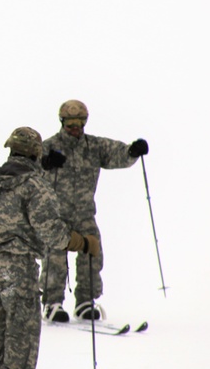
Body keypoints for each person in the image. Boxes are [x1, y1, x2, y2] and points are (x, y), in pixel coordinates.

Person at [0, 127, 101, 369]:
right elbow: (52, 232)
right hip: (18, 268)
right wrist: (82, 242)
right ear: (36, 153)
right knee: (21, 333)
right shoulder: (34, 185)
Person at [40, 99, 149, 323]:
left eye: (79, 122)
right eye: (70, 122)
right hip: (55, 215)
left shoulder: (94, 147)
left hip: (84, 213)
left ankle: (85, 302)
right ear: (62, 122)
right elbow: (29, 165)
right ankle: (52, 303)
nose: (75, 127)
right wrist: (46, 162)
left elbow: (118, 154)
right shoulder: (48, 146)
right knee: (55, 255)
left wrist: (132, 151)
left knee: (92, 251)